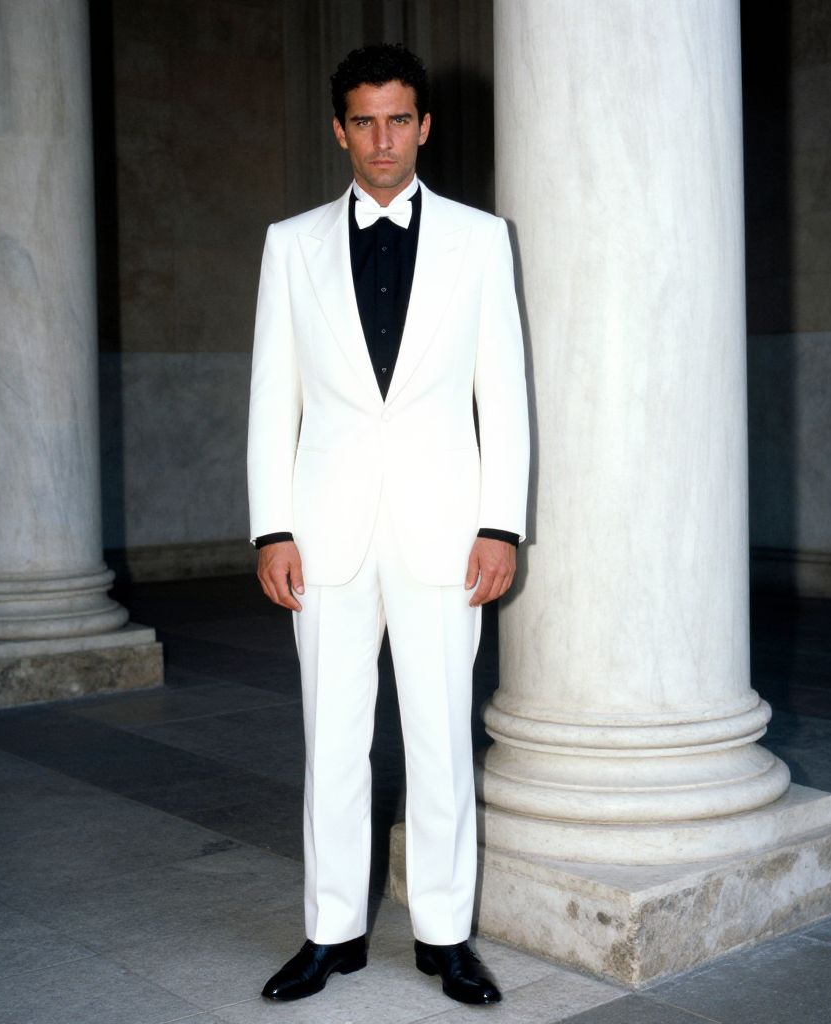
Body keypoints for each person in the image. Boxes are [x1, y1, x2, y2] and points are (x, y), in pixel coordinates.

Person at [247, 43, 529, 1005]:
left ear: (425, 125)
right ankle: (331, 932)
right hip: (322, 533)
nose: (382, 138)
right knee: (333, 737)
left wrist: (502, 525)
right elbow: (268, 399)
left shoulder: (481, 239)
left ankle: (447, 937)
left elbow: (507, 394)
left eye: (398, 119)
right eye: (363, 120)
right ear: (339, 129)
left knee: (444, 735)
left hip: (447, 528)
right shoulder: (291, 244)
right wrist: (269, 529)